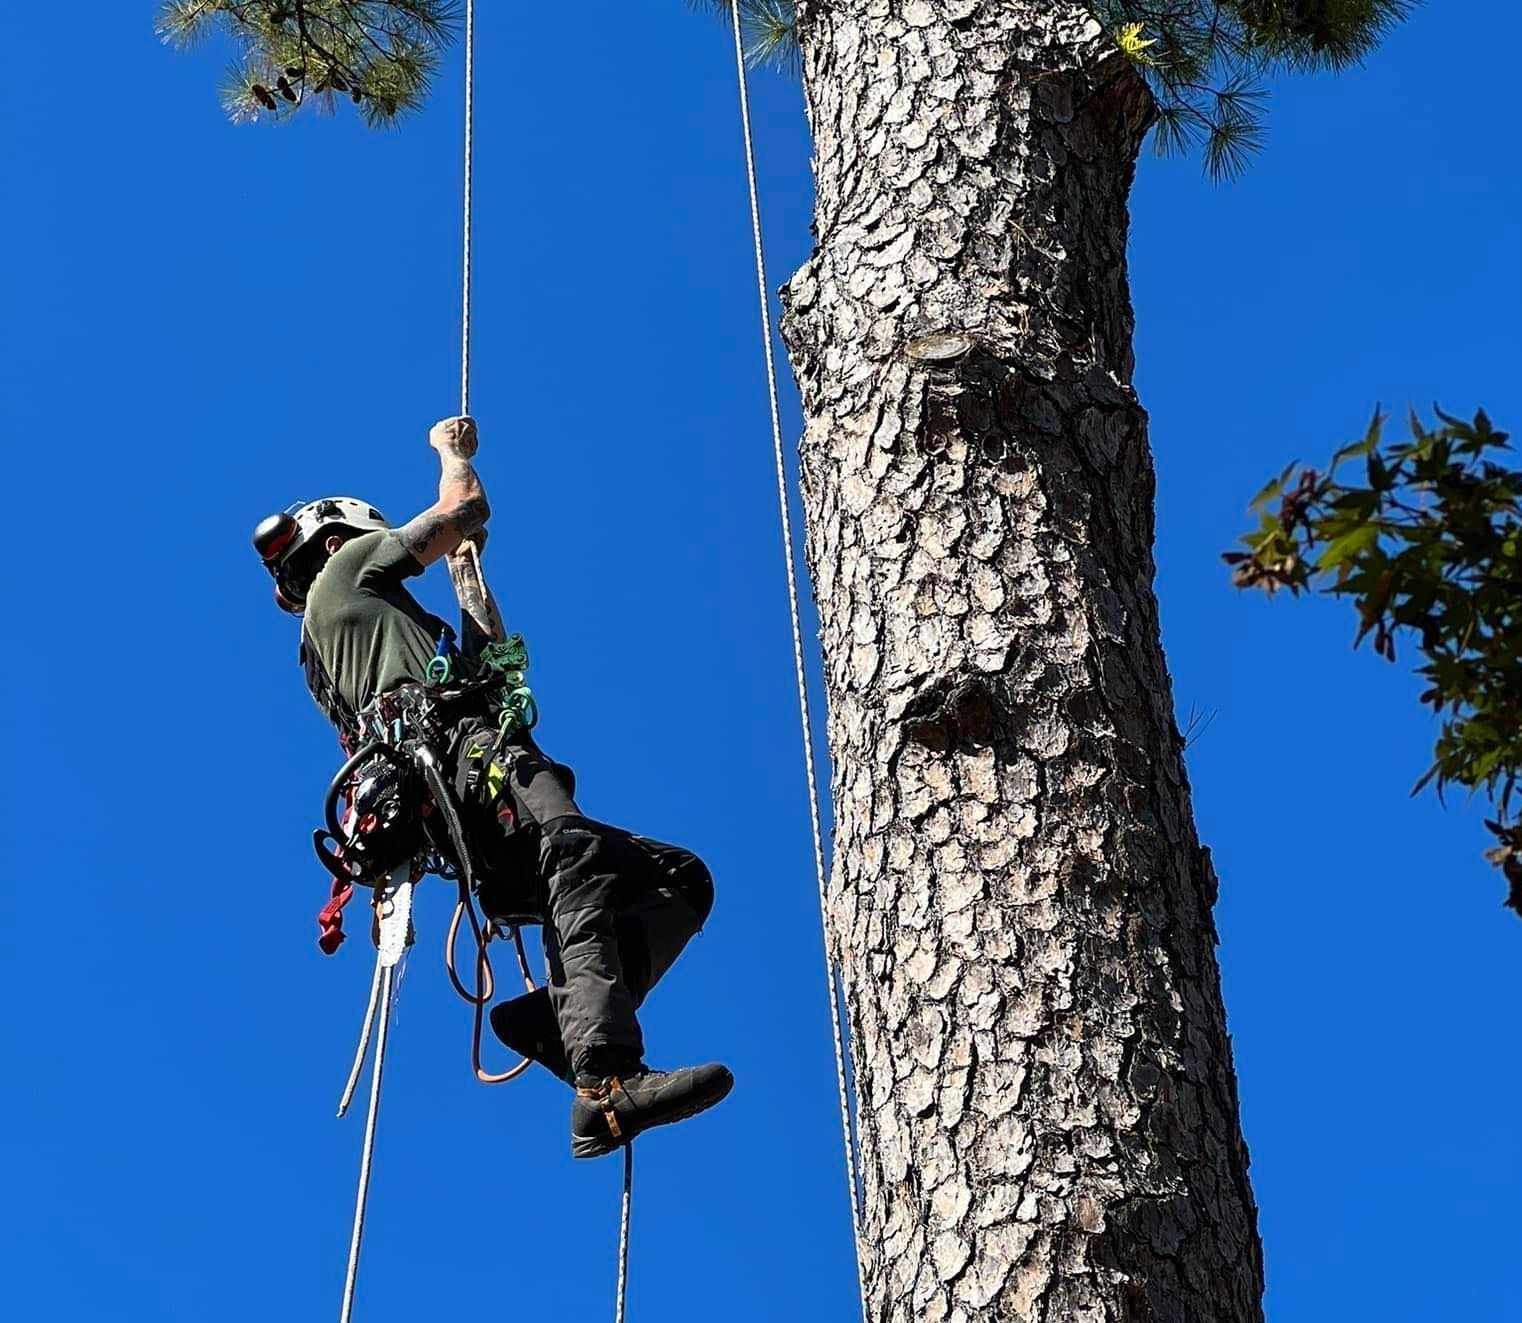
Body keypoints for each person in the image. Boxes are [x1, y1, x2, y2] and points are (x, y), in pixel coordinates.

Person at [252, 415, 732, 1159]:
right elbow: (463, 510)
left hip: (466, 803)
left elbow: (486, 666)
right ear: (344, 542)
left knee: (677, 877)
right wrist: (452, 455)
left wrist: (468, 577)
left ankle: (559, 1020)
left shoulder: (362, 641)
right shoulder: (343, 577)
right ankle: (604, 1076)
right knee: (570, 847)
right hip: (469, 763)